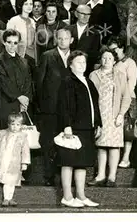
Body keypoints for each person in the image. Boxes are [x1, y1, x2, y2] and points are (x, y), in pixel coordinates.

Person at [57, 50, 101, 208]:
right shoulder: (67, 81)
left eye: (84, 62)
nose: (82, 65)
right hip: (73, 128)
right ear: (71, 65)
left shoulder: (89, 82)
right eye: (79, 62)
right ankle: (67, 197)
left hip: (87, 128)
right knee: (68, 161)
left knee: (81, 163)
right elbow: (64, 106)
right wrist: (67, 125)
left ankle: (81, 196)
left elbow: (94, 105)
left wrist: (98, 124)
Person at [88, 47, 131, 187]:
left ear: (114, 61)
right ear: (101, 59)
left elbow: (126, 97)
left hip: (114, 116)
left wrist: (121, 114)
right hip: (99, 116)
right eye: (104, 58)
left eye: (110, 58)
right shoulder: (94, 75)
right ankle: (100, 175)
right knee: (101, 145)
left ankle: (111, 177)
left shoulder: (120, 75)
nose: (107, 61)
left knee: (114, 147)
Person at [36, 28, 73, 186]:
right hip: (50, 108)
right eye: (60, 38)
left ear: (71, 40)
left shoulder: (76, 57)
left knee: (67, 141)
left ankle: (66, 176)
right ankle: (49, 176)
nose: (63, 41)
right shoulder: (48, 56)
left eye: (66, 38)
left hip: (70, 108)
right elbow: (39, 83)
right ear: (56, 39)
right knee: (49, 142)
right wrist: (41, 107)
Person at [0, 113, 30, 206]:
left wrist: (24, 163)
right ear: (8, 124)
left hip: (14, 163)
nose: (15, 127)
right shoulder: (3, 133)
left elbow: (25, 151)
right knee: (6, 181)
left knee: (12, 181)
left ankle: (10, 197)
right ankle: (6, 198)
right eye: (13, 124)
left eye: (18, 125)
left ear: (21, 126)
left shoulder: (23, 137)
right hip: (4, 161)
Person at [0, 29, 33, 130]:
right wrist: (19, 96)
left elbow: (28, 81)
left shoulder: (23, 61)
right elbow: (3, 82)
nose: (12, 45)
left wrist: (26, 99)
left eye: (15, 43)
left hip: (21, 105)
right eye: (9, 42)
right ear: (4, 42)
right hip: (5, 103)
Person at [108, 36, 137, 168]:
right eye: (110, 50)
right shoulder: (112, 63)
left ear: (121, 48)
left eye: (115, 49)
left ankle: (126, 158)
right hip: (113, 100)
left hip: (128, 99)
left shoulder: (130, 63)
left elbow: (131, 84)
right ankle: (115, 157)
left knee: (128, 128)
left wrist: (123, 99)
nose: (113, 52)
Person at [65, 5, 101, 75]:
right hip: (67, 68)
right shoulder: (67, 29)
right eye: (83, 14)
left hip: (85, 70)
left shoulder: (95, 33)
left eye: (88, 14)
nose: (85, 17)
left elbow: (94, 55)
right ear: (76, 14)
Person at [6, 0, 37, 66]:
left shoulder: (32, 21)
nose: (29, 6)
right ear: (21, 5)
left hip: (31, 56)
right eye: (26, 4)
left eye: (31, 4)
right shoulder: (14, 20)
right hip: (17, 55)